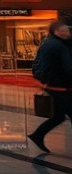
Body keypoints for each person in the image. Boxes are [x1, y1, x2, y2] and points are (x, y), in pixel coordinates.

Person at [27, 21, 72, 153]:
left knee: (58, 117)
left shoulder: (53, 44)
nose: (68, 32)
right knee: (61, 115)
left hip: (55, 87)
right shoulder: (55, 46)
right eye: (65, 29)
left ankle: (38, 135)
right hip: (59, 87)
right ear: (57, 32)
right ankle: (37, 135)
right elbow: (65, 67)